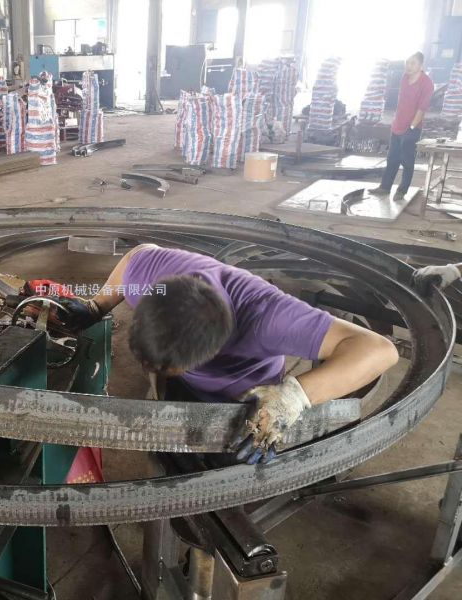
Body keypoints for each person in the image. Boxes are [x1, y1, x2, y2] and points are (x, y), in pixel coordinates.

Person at [56, 245, 399, 464]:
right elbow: (136, 255)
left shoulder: (268, 317)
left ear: (213, 352)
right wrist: (96, 305)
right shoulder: (152, 278)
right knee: (172, 457)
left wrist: (294, 397)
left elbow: (379, 350)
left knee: (228, 475)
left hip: (247, 403)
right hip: (187, 391)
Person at [370, 52, 434, 201]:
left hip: (412, 127)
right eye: (407, 63)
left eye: (412, 63)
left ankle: (402, 190)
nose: (408, 66)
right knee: (392, 158)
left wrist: (411, 127)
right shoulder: (404, 78)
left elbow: (422, 109)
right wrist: (396, 123)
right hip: (397, 125)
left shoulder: (427, 83)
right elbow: (402, 103)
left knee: (407, 160)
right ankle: (385, 187)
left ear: (421, 66)